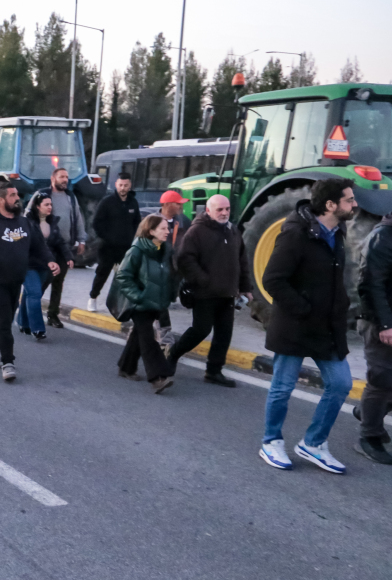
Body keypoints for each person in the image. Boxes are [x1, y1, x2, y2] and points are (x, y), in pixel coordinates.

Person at [258, 179, 356, 474]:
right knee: (282, 387)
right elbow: (272, 279)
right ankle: (271, 441)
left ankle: (313, 444)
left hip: (327, 327)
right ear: (330, 205)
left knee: (341, 384)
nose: (354, 205)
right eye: (349, 200)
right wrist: (303, 308)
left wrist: (342, 308)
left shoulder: (338, 232)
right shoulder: (295, 234)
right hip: (295, 326)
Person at [0, 184, 58, 382]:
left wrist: (49, 260)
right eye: (13, 195)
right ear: (1, 200)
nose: (17, 198)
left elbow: (39, 246)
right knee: (4, 321)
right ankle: (8, 363)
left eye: (17, 194)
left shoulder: (24, 223)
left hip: (15, 281)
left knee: (1, 319)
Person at [166, 194, 250, 387]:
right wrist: (203, 279)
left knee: (224, 334)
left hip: (227, 293)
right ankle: (173, 354)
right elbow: (184, 259)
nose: (224, 213)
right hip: (205, 293)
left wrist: (246, 287)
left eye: (227, 209)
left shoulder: (233, 231)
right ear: (209, 210)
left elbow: (242, 261)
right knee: (200, 330)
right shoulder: (197, 231)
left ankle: (214, 371)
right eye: (220, 209)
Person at [106, 214, 177, 393]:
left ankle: (126, 367)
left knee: (138, 335)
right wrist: (139, 296)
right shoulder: (136, 250)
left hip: (157, 301)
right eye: (163, 228)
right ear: (151, 231)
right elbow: (122, 275)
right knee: (147, 339)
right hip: (140, 303)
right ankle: (158, 377)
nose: (167, 231)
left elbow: (169, 275)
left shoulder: (164, 250)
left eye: (167, 228)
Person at [356, 210, 392, 464]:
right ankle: (369, 436)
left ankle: (367, 412)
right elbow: (371, 284)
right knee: (381, 377)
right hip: (380, 322)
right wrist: (385, 324)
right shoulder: (382, 238)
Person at [15, 191, 74, 342]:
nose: (50, 207)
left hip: (45, 265)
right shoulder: (26, 222)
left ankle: (22, 322)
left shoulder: (52, 223)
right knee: (34, 294)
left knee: (30, 294)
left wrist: (68, 257)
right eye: (46, 204)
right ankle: (38, 329)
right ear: (37, 206)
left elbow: (60, 242)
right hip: (28, 265)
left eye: (51, 204)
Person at [36, 168, 88, 328]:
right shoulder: (42, 195)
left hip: (65, 247)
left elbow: (78, 218)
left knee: (58, 282)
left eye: (67, 177)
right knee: (43, 281)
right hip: (46, 248)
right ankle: (30, 311)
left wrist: (81, 239)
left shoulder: (70, 197)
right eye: (62, 177)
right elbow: (28, 216)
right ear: (53, 178)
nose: (65, 179)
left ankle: (53, 315)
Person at [87, 172, 140, 312]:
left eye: (126, 185)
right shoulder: (107, 202)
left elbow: (137, 222)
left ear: (130, 186)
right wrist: (107, 237)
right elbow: (96, 223)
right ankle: (93, 298)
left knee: (127, 275)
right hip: (107, 247)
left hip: (126, 247)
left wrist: (132, 238)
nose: (123, 188)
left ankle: (124, 303)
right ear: (116, 185)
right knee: (102, 273)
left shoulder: (133, 202)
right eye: (120, 185)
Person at [156, 189, 192, 344]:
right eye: (177, 203)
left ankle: (140, 335)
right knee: (160, 302)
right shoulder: (152, 221)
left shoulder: (183, 221)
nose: (180, 206)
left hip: (175, 270)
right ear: (167, 204)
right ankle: (165, 337)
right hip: (156, 271)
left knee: (166, 300)